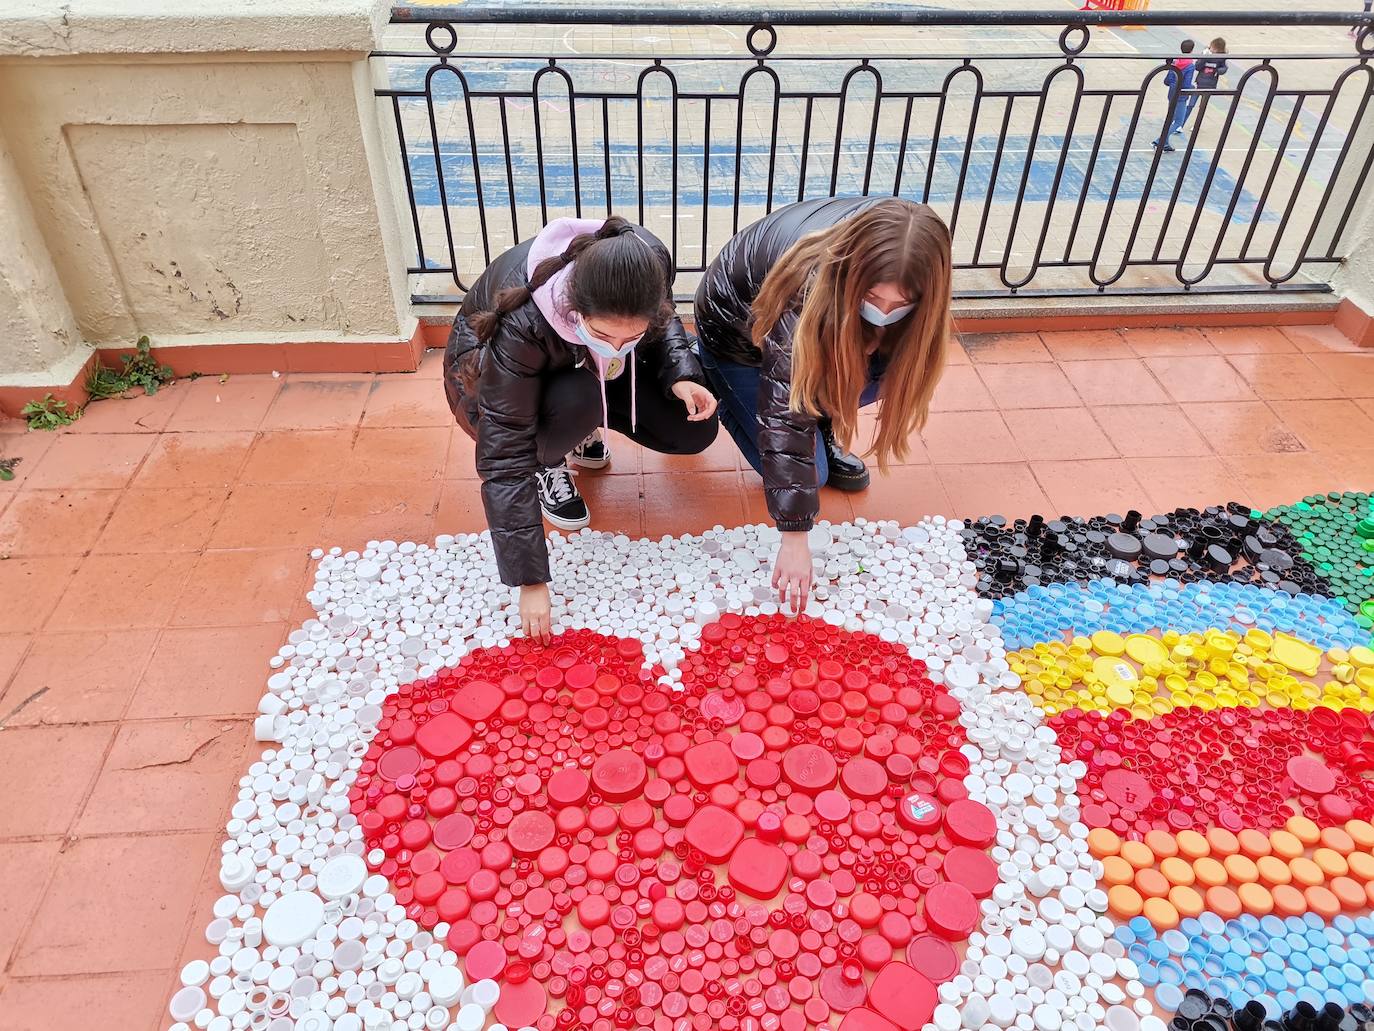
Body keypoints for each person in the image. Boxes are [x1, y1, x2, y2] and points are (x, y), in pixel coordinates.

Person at [443, 215, 719, 642]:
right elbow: (503, 449)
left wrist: (683, 375)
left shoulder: (646, 264)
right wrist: (530, 580)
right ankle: (550, 458)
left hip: (583, 368)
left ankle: (582, 422)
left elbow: (663, 325)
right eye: (603, 333)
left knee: (693, 429)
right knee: (580, 398)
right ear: (575, 308)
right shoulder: (524, 320)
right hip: (485, 387)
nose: (616, 344)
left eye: (631, 336)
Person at [693, 196, 953, 615]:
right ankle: (715, 380)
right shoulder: (810, 286)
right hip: (736, 335)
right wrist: (795, 536)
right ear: (854, 275)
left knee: (892, 372)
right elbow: (784, 409)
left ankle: (820, 415)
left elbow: (903, 357)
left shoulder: (912, 262)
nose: (884, 313)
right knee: (813, 473)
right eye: (873, 298)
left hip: (806, 342)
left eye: (900, 305)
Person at [1171, 38, 1227, 136]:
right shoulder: (1205, 54)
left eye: (1214, 48)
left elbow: (1224, 68)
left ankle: (1196, 125)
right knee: (1190, 104)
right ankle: (1180, 124)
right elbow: (1198, 66)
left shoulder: (1221, 57)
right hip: (1199, 82)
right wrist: (1204, 57)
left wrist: (1219, 70)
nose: (1212, 49)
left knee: (1202, 107)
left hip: (1210, 84)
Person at [1153, 38, 1196, 152]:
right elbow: (1186, 84)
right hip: (1181, 95)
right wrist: (1192, 88)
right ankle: (1160, 141)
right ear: (1192, 50)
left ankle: (1164, 143)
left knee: (1170, 118)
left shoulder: (1176, 62)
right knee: (1179, 121)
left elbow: (1167, 80)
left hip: (1172, 93)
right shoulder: (1190, 65)